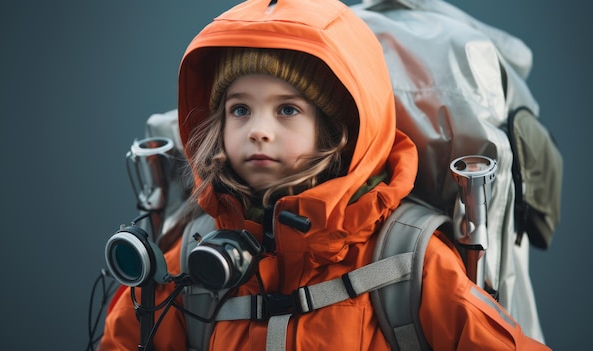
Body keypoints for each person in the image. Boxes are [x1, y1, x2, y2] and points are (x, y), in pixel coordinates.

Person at [99, 0, 551, 349]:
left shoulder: (408, 257)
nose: (258, 130)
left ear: (336, 130)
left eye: (288, 109)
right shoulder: (193, 258)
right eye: (239, 109)